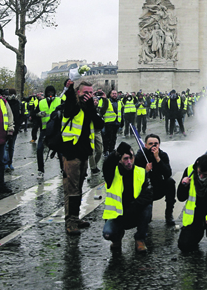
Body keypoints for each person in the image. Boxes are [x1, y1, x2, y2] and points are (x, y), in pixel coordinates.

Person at [61, 80, 104, 235]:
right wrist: (70, 88)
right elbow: (69, 110)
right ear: (78, 92)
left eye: (90, 93)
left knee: (78, 188)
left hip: (84, 152)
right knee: (71, 189)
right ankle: (70, 222)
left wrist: (92, 107)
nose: (88, 95)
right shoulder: (72, 104)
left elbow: (100, 124)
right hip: (71, 152)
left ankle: (76, 217)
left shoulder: (90, 107)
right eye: (85, 92)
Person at [102, 142, 153, 253]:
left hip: (134, 212)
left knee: (147, 208)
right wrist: (117, 153)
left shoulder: (141, 172)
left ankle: (140, 239)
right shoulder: (112, 173)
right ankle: (116, 239)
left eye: (131, 158)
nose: (129, 161)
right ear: (119, 159)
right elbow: (106, 165)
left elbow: (148, 195)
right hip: (117, 216)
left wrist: (133, 207)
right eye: (125, 158)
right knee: (108, 233)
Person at [135, 133, 177, 226]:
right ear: (145, 145)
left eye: (156, 144)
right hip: (145, 189)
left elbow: (168, 174)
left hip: (158, 187)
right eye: (150, 144)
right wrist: (145, 171)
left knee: (170, 182)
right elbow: (135, 178)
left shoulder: (162, 155)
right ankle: (145, 214)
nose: (153, 146)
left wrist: (158, 159)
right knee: (147, 220)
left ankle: (169, 214)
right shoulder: (140, 155)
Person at [99, 90, 122, 157]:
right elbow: (100, 109)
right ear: (110, 94)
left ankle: (111, 150)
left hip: (116, 122)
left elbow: (120, 112)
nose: (114, 95)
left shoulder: (119, 101)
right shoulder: (106, 100)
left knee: (114, 138)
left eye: (115, 93)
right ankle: (105, 150)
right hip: (108, 122)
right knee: (107, 138)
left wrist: (121, 122)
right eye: (113, 93)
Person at [4, 89, 22, 173]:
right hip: (6, 128)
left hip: (14, 128)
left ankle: (9, 162)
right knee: (6, 147)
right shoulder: (4, 103)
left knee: (11, 147)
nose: (13, 96)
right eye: (11, 94)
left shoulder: (18, 103)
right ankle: (5, 164)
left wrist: (17, 126)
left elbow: (21, 116)